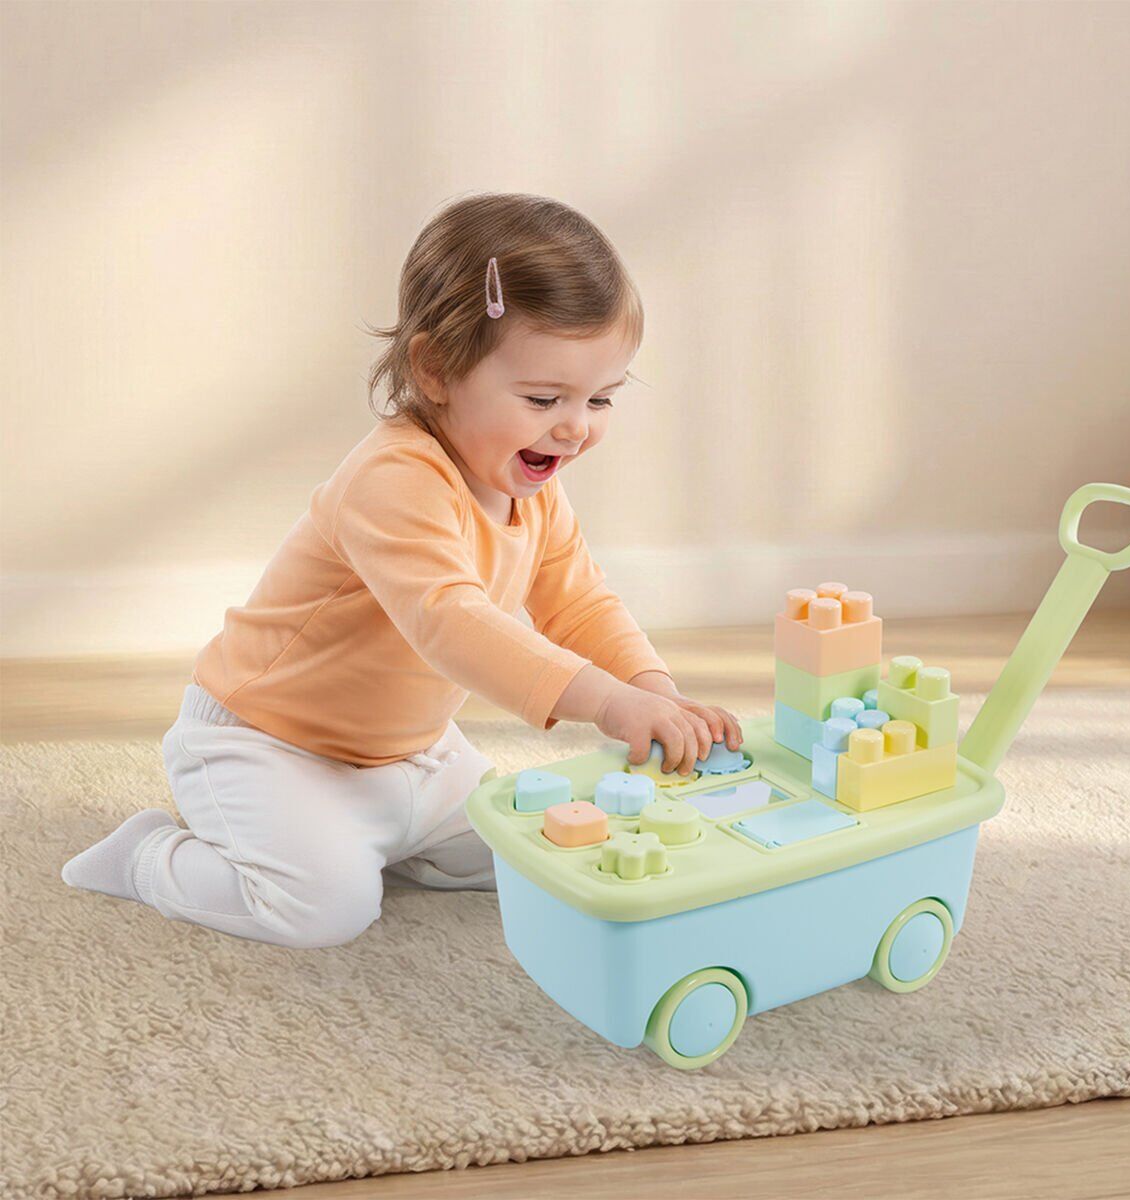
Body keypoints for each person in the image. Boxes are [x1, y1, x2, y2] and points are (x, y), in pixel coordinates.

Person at [61, 192, 743, 949]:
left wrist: (655, 693)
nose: (575, 427)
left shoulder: (533, 490)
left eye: (602, 398)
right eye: (544, 398)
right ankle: (150, 857)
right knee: (323, 910)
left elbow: (579, 603)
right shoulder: (392, 478)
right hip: (269, 745)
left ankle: (385, 838)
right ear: (437, 369)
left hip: (411, 752)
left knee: (548, 850)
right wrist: (608, 703)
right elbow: (451, 623)